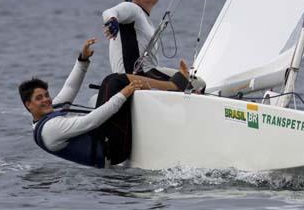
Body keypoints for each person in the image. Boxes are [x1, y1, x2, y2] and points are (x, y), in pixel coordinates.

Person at [19, 38, 190, 168]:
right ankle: (174, 86)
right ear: (29, 105)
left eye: (46, 95)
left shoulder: (46, 115)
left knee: (115, 82)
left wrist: (83, 60)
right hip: (114, 151)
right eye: (39, 98)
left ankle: (166, 91)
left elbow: (70, 87)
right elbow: (91, 121)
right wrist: (124, 94)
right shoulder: (50, 129)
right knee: (113, 82)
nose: (46, 100)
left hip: (109, 140)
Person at [102, 0, 205, 91]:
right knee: (198, 84)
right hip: (135, 77)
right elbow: (109, 12)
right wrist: (112, 20)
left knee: (195, 84)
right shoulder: (132, 8)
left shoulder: (144, 19)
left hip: (145, 74)